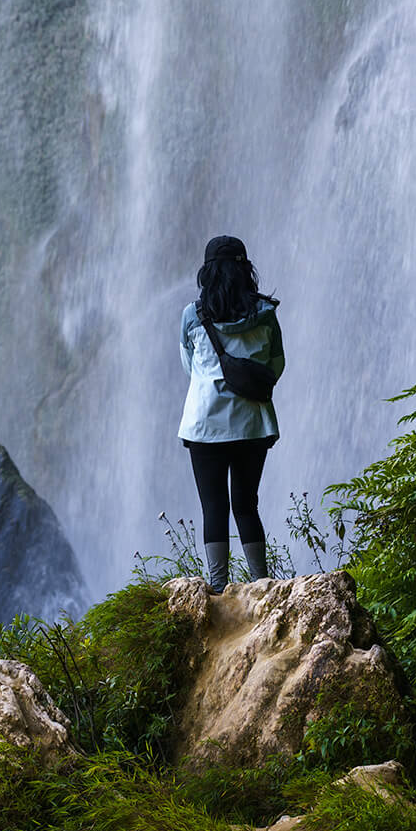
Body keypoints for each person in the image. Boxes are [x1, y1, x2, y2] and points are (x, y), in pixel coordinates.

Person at [179, 235, 285, 594]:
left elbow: (188, 364)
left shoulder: (192, 315)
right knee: (246, 503)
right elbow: (275, 365)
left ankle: (219, 586)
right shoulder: (266, 314)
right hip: (253, 422)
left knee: (214, 506)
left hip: (205, 423)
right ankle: (261, 583)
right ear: (245, 270)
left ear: (206, 273)